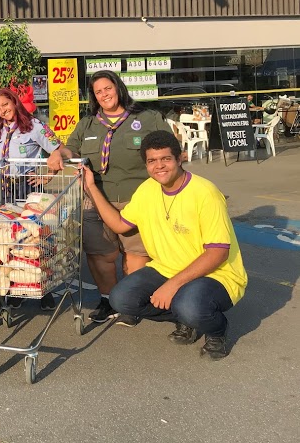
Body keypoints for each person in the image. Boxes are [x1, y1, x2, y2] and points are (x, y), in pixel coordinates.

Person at [81, 131, 247, 360]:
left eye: (166, 159)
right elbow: (119, 224)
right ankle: (183, 317)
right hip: (166, 268)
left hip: (216, 274)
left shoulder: (205, 193)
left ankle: (216, 330)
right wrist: (91, 187)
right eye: (152, 161)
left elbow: (217, 253)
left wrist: (172, 286)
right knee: (121, 299)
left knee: (188, 305)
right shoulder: (147, 189)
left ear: (180, 158)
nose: (159, 166)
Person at [48, 70, 173, 326]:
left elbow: (170, 148)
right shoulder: (88, 123)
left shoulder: (147, 118)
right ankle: (108, 300)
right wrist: (59, 153)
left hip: (136, 198)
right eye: (98, 91)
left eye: (108, 88)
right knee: (99, 253)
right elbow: (71, 147)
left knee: (135, 253)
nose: (104, 94)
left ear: (118, 87)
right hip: (96, 198)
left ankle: (130, 302)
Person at [0, 87, 65, 311]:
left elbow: (59, 151)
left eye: (5, 104)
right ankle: (17, 288)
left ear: (14, 101)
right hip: (4, 188)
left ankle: (44, 289)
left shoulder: (34, 126)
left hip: (27, 188)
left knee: (36, 241)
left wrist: (47, 176)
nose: (3, 110)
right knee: (10, 242)